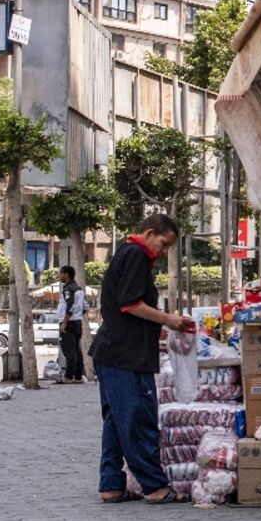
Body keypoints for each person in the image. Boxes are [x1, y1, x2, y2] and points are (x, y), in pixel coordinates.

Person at [89, 213, 195, 504]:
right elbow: (131, 304)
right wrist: (168, 320)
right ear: (149, 233)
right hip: (125, 356)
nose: (164, 251)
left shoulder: (127, 253)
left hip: (113, 352)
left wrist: (156, 329)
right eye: (164, 244)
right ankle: (155, 487)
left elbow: (127, 308)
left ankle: (110, 485)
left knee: (115, 422)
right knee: (137, 419)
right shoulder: (136, 255)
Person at [56, 265, 86, 384]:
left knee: (69, 351)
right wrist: (78, 317)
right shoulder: (79, 289)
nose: (59, 276)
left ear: (66, 274)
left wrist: (64, 322)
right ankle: (78, 376)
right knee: (77, 350)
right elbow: (85, 306)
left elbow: (70, 305)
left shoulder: (68, 289)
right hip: (77, 322)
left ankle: (68, 376)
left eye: (60, 273)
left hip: (69, 323)